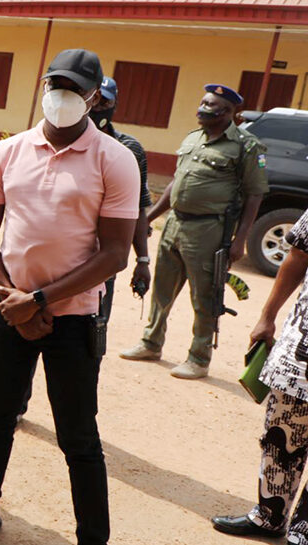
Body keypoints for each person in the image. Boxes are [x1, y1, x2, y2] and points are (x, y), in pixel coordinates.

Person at [0, 49, 138, 545]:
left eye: (74, 89)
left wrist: (41, 301)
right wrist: (14, 300)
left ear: (95, 98)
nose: (61, 97)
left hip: (71, 318)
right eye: (55, 84)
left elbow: (115, 254)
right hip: (9, 310)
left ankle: (93, 536)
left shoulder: (115, 159)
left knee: (78, 435)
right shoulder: (9, 151)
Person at [119, 84, 268, 379]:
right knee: (162, 287)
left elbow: (254, 195)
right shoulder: (193, 138)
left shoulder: (246, 147)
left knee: (205, 296)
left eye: (210, 104)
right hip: (175, 223)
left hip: (209, 229)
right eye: (202, 101)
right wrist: (149, 216)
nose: (202, 108)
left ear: (228, 112)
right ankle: (151, 342)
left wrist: (240, 241)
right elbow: (176, 182)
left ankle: (199, 358)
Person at [211, 210, 308, 543]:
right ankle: (269, 517)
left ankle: (303, 530)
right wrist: (267, 317)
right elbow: (297, 255)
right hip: (301, 353)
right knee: (281, 438)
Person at [89, 76, 152, 317]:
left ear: (114, 106)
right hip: (63, 251)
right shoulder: (62, 142)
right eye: (93, 100)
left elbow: (137, 209)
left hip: (103, 259)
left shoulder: (129, 150)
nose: (96, 108)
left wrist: (143, 260)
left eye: (104, 103)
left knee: (94, 324)